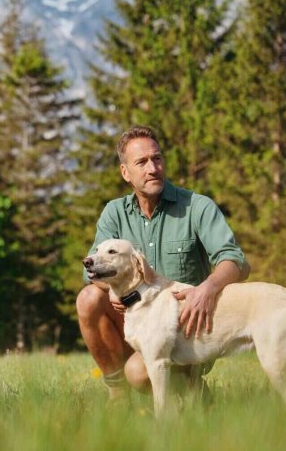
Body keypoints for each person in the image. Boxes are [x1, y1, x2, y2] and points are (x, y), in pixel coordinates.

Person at [77, 125, 250, 404]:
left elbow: (236, 262)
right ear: (125, 172)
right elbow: (91, 271)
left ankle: (192, 389)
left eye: (157, 158)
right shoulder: (114, 213)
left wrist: (207, 289)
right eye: (141, 162)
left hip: (186, 329)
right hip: (135, 319)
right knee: (88, 299)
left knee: (139, 374)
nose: (153, 168)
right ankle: (118, 395)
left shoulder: (197, 206)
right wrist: (112, 290)